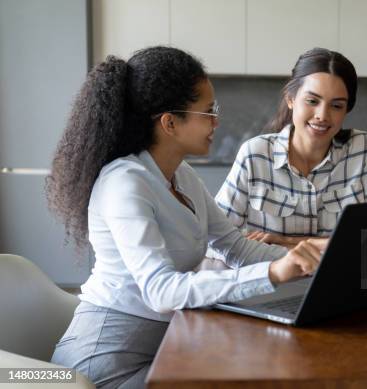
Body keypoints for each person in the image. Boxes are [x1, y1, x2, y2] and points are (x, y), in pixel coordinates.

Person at [46, 46, 326, 388]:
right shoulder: (124, 183)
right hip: (102, 363)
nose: (217, 122)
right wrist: (272, 272)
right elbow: (161, 292)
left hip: (163, 347)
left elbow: (236, 248)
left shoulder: (183, 176)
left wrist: (313, 261)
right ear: (170, 122)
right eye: (208, 112)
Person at [214, 48, 367, 249]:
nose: (322, 115)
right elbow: (216, 238)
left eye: (336, 106)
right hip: (269, 279)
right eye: (312, 101)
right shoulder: (255, 154)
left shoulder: (362, 149)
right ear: (290, 99)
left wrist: (285, 242)